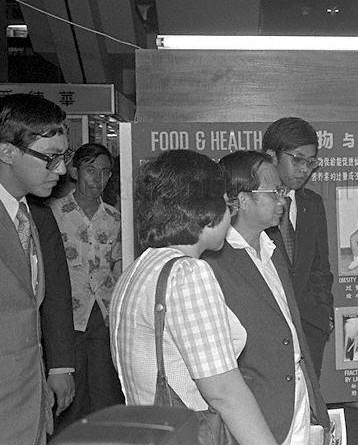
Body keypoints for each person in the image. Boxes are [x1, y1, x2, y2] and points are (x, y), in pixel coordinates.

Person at [110, 149, 278, 445]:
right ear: (203, 210)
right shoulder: (187, 274)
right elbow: (223, 390)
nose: (230, 215)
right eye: (227, 204)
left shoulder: (139, 269)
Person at [204, 150, 331, 444]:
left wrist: (317, 411)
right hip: (256, 422)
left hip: (299, 406)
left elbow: (293, 335)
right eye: (274, 191)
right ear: (242, 199)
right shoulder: (212, 264)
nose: (283, 199)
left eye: (282, 191)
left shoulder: (272, 250)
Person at [0, 93, 70, 444]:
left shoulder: (32, 216)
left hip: (28, 405)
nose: (61, 170)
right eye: (51, 158)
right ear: (7, 152)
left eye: (64, 156)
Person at [50, 143, 124, 428]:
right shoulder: (55, 213)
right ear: (74, 171)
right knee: (71, 392)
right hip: (68, 314)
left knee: (105, 389)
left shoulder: (115, 217)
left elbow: (118, 264)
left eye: (105, 172)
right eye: (91, 170)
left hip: (103, 315)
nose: (98, 178)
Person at [263, 117, 333, 376]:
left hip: (310, 328)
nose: (305, 169)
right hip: (266, 333)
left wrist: (324, 314)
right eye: (298, 159)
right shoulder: (252, 206)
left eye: (311, 161)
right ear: (271, 156)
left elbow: (320, 267)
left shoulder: (311, 203)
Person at [29, 198, 76, 431]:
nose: (59, 169)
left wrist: (60, 366)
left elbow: (56, 289)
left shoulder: (38, 216)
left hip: (29, 363)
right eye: (50, 159)